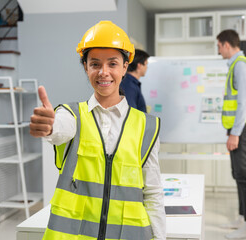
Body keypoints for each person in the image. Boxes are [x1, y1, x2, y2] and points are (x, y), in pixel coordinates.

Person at [29, 20, 166, 240]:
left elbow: (152, 193)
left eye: (112, 64)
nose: (103, 72)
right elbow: (60, 129)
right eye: (95, 64)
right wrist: (49, 127)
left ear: (125, 67)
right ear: (86, 67)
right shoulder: (72, 116)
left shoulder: (147, 127)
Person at [217, 29, 246, 239]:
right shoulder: (236, 65)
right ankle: (243, 218)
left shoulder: (241, 66)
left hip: (243, 128)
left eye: (219, 46)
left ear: (227, 45)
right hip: (239, 128)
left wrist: (235, 134)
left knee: (244, 176)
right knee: (238, 175)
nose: (218, 51)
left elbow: (244, 103)